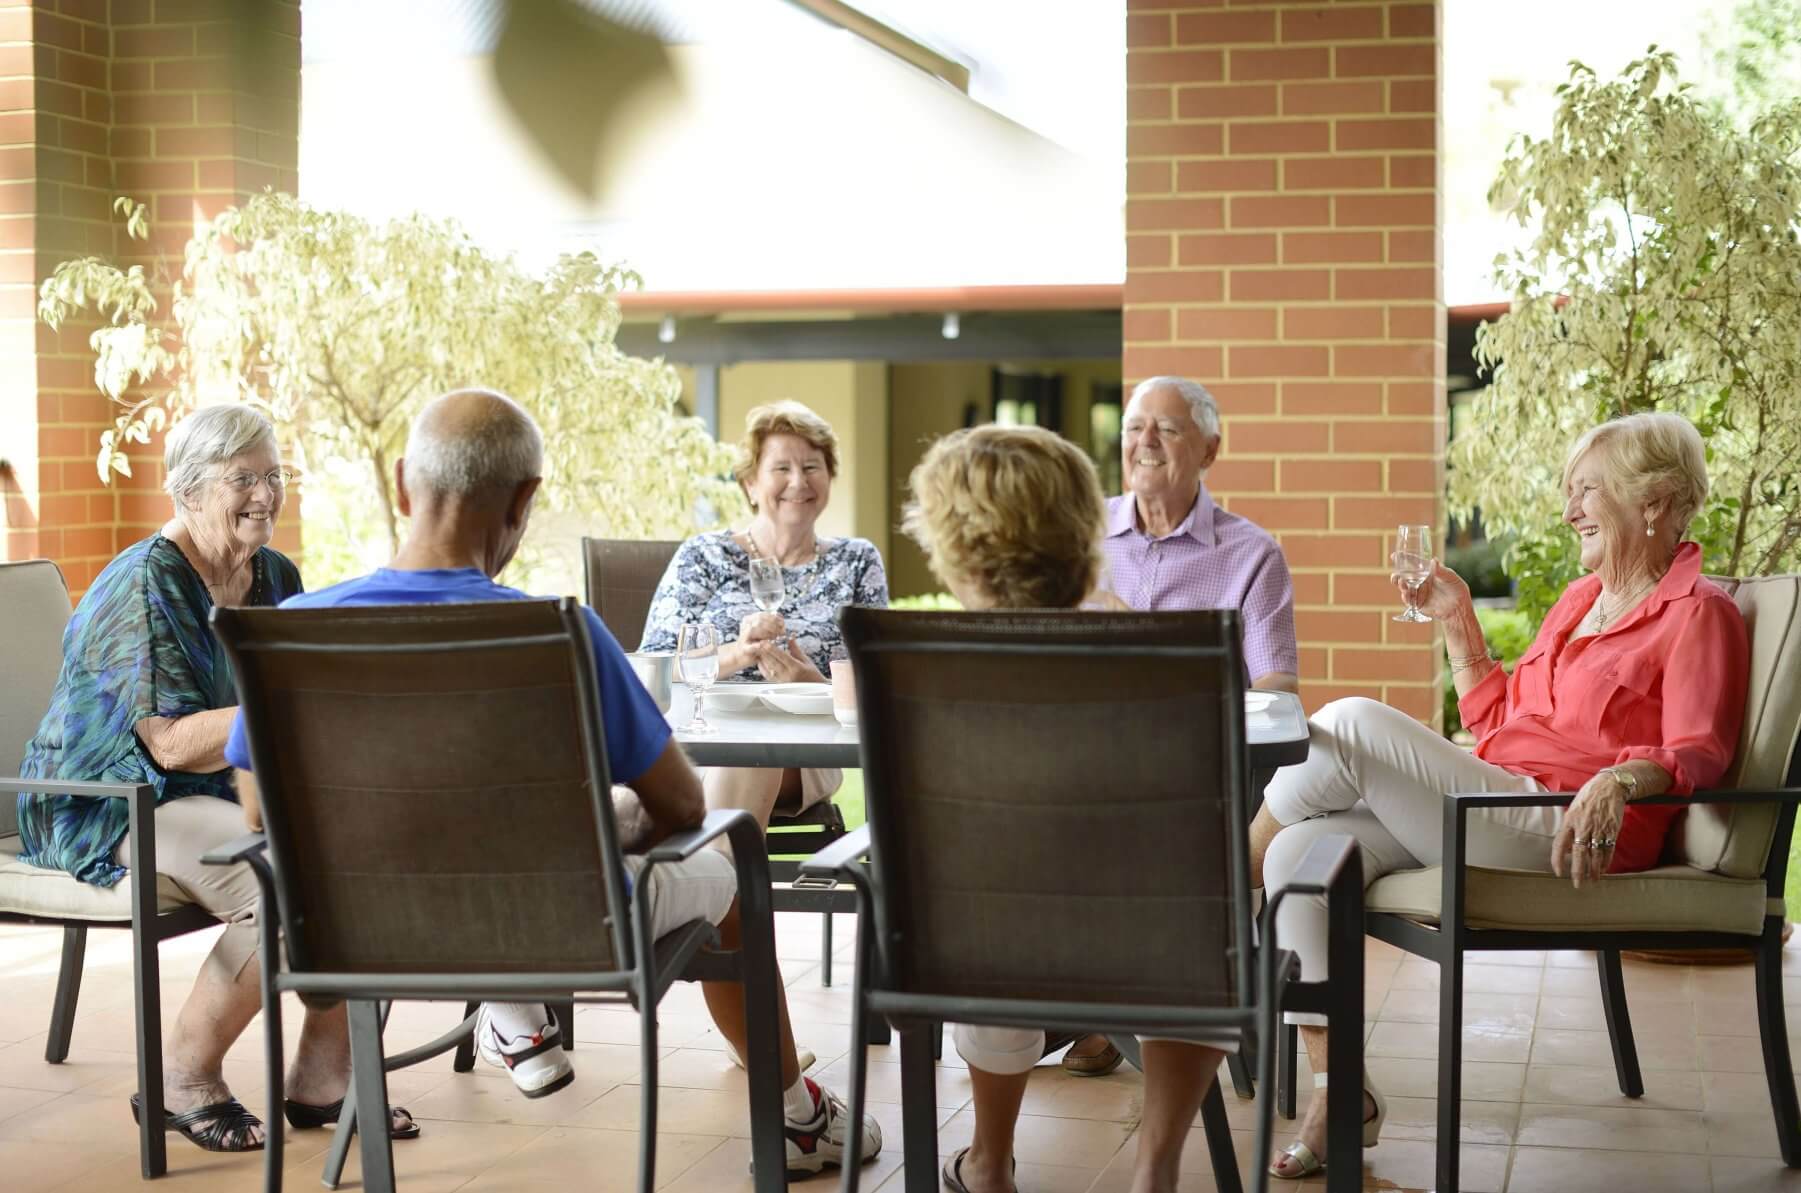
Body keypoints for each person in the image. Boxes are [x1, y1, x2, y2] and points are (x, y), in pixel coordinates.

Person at [223, 389, 881, 1177]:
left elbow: (262, 808)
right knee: (732, 857)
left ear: (403, 483)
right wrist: (615, 813)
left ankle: (513, 1015)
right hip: (558, 920)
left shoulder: (293, 626)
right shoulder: (561, 633)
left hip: (355, 922)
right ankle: (798, 1118)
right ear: (526, 499)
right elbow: (678, 805)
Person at [1252, 412, 1749, 1180]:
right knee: (1296, 852)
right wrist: (1457, 623)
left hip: (1569, 830)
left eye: (1586, 490)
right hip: (1499, 800)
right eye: (1568, 492)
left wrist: (1618, 778)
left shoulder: (1697, 613)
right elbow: (1495, 724)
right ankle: (1337, 1091)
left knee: (1345, 721)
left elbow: (1700, 751)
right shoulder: (1579, 600)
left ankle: (1209, 883)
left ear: (1653, 501)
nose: (1568, 509)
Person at [16, 405, 420, 1152]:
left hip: (214, 785)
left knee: (370, 845)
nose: (265, 493)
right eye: (244, 478)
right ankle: (184, 1077)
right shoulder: (147, 583)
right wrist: (291, 708)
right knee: (279, 874)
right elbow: (168, 744)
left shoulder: (274, 574)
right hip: (111, 795)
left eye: (274, 475)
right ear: (189, 491)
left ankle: (324, 1077)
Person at [902, 423, 1232, 1193]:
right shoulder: (1160, 655)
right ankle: (1155, 1164)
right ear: (1083, 527)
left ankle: (987, 1160)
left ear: (952, 539)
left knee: (980, 892)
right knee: (1219, 895)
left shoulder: (915, 666)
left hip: (977, 950)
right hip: (1161, 948)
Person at [1059, 374, 1301, 1078]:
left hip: (1187, 777)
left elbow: (1278, 687)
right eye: (1136, 427)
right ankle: (1100, 1006)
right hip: (1077, 765)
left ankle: (1113, 1010)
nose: (1146, 441)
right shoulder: (1079, 539)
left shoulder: (1251, 553)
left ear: (1209, 448)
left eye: (1166, 428)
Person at [642, 400, 887, 832]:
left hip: (806, 747)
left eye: (812, 467)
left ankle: (711, 890)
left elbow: (877, 681)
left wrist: (809, 683)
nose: (799, 481)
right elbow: (653, 667)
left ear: (829, 478)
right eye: (781, 469)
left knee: (753, 753)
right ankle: (726, 890)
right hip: (702, 738)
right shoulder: (704, 555)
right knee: (732, 760)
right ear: (750, 483)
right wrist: (736, 654)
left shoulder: (857, 560)